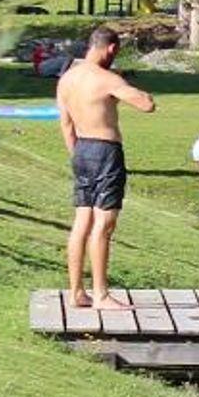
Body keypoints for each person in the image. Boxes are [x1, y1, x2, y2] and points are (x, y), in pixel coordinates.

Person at [54, 25, 156, 308]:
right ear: (111, 48)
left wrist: (77, 155)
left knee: (81, 222)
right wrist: (130, 87)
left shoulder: (67, 79)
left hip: (81, 150)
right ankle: (100, 295)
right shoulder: (107, 78)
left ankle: (76, 292)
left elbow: (66, 124)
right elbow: (147, 105)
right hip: (106, 152)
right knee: (104, 225)